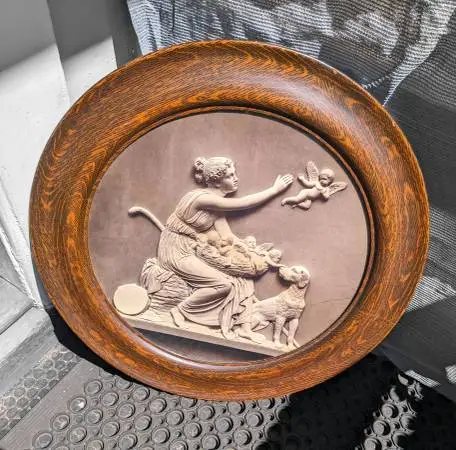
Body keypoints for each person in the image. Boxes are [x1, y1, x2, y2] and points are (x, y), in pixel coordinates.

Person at [157, 156, 293, 340]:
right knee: (223, 284)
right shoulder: (202, 199)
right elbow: (242, 203)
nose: (236, 178)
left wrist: (250, 253)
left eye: (234, 174)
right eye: (230, 176)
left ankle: (243, 327)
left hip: (195, 248)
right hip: (177, 249)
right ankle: (180, 311)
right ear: (216, 181)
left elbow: (228, 237)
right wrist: (274, 190)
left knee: (242, 279)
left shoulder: (216, 207)